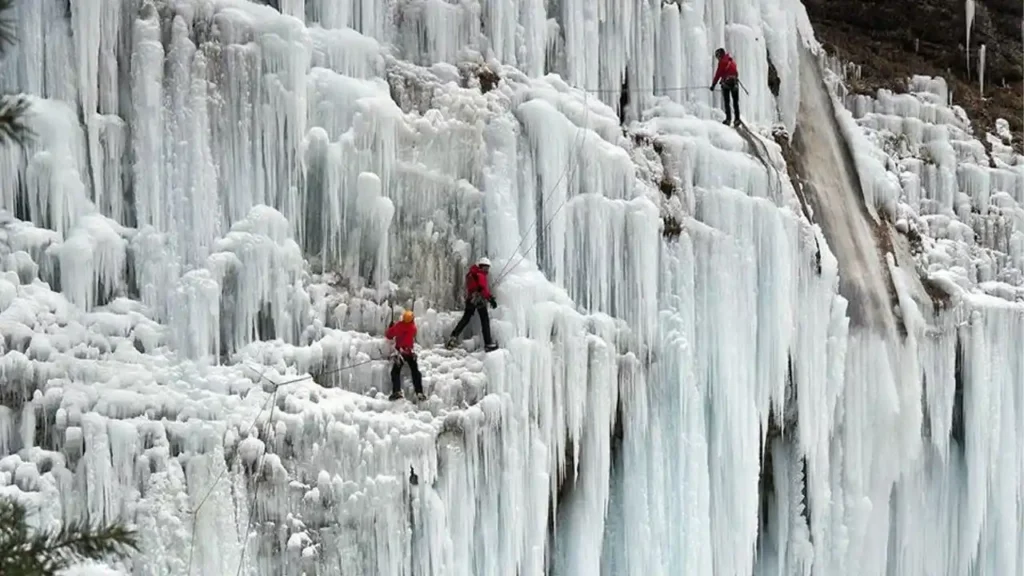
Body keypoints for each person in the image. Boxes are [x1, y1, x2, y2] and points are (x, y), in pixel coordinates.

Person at [446, 257, 498, 351]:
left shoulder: (471, 273)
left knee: (466, 318)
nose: (486, 270)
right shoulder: (480, 274)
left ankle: (453, 336)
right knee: (485, 320)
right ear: (481, 267)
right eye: (485, 268)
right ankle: (488, 343)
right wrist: (490, 299)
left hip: (471, 299)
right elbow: (483, 289)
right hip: (478, 300)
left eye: (487, 268)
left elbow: (473, 287)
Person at [386, 309, 425, 401]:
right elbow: (412, 332)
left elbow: (389, 335)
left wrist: (391, 327)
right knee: (415, 372)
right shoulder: (413, 327)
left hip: (401, 353)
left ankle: (397, 391)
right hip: (410, 353)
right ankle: (419, 392)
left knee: (395, 372)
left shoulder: (399, 326)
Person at [710, 48, 741, 126]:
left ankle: (728, 119)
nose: (717, 58)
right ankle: (737, 119)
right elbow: (736, 73)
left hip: (726, 84)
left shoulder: (722, 62)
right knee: (735, 102)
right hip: (735, 83)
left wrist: (713, 85)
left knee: (727, 102)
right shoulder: (732, 61)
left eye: (717, 56)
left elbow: (718, 74)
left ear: (720, 55)